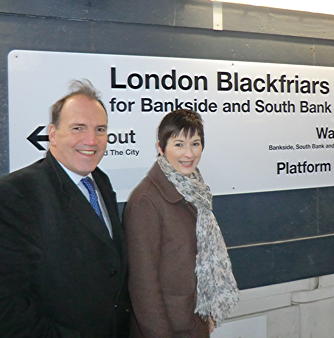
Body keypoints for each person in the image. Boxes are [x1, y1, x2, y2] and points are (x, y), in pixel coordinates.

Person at [0, 80, 130, 337]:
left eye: (100, 129)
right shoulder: (15, 193)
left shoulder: (100, 181)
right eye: (78, 128)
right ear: (52, 134)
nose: (91, 140)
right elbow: (8, 305)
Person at [124, 109, 239, 338]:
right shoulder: (146, 201)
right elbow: (143, 286)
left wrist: (205, 316)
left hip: (194, 320)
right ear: (160, 148)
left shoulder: (194, 190)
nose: (189, 153)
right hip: (167, 329)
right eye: (179, 144)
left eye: (195, 143)